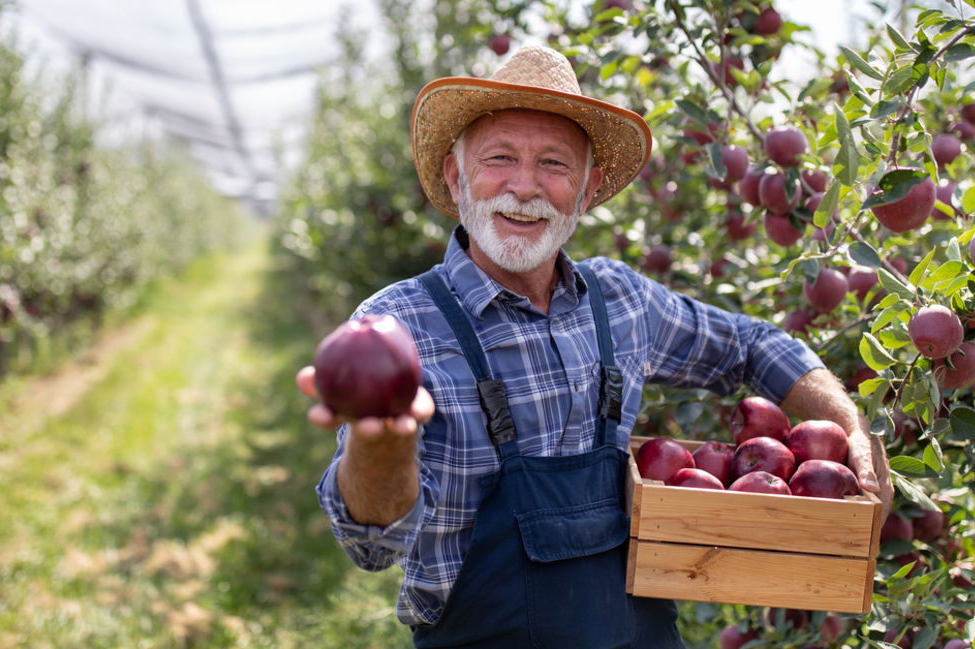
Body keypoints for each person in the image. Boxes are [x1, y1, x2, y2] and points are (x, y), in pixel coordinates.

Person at [297, 45, 894, 648]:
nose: (525, 187)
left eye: (554, 164)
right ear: (457, 178)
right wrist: (382, 447)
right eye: (499, 158)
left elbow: (750, 344)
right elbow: (371, 547)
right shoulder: (399, 328)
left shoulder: (621, 301)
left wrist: (848, 429)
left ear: (587, 190)